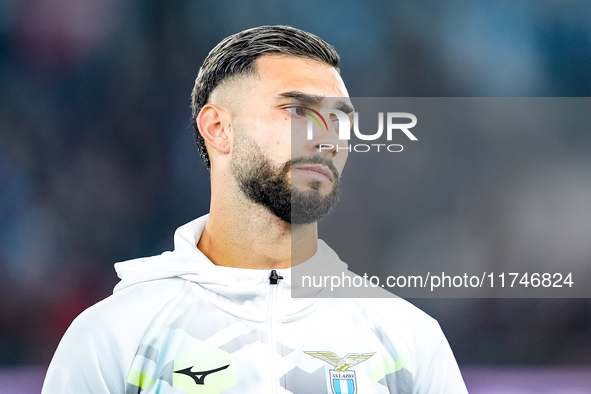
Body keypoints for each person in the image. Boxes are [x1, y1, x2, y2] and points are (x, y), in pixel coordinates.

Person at [42, 25, 467, 393]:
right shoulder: (115, 336)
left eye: (339, 119)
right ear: (219, 128)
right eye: (297, 110)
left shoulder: (406, 337)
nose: (326, 139)